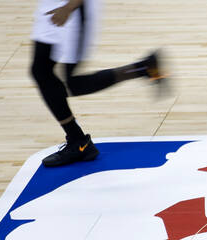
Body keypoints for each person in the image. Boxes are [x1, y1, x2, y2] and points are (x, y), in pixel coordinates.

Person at [30, 0, 168, 167]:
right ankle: (78, 140)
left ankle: (142, 68)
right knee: (41, 72)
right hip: (51, 7)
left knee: (69, 84)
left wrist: (69, 7)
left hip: (72, 9)